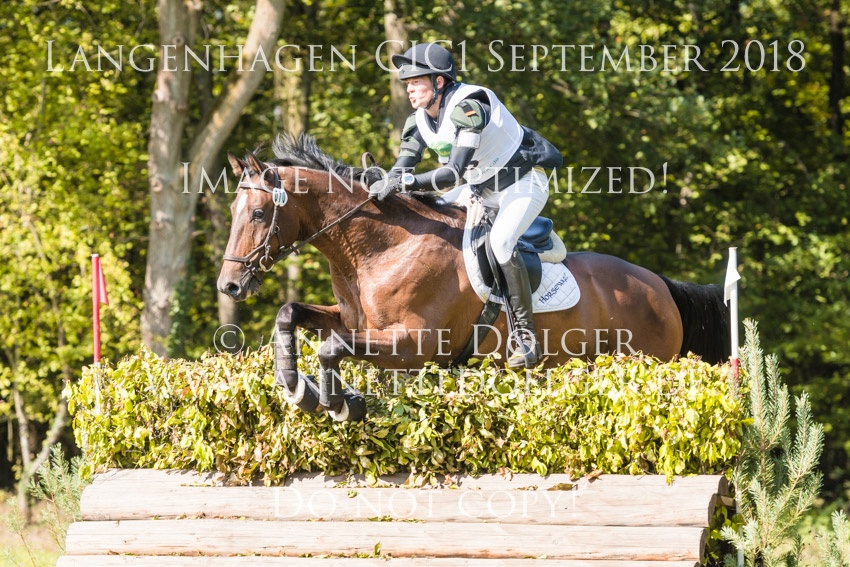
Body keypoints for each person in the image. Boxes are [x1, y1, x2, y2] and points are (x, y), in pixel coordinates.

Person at [369, 42, 563, 369]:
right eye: (407, 83)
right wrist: (379, 181)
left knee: (501, 243)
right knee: (424, 219)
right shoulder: (417, 121)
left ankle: (526, 338)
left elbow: (451, 174)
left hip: (522, 183)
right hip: (479, 189)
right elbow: (401, 171)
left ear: (439, 82)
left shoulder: (470, 107)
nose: (409, 89)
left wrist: (402, 183)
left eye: (416, 82)